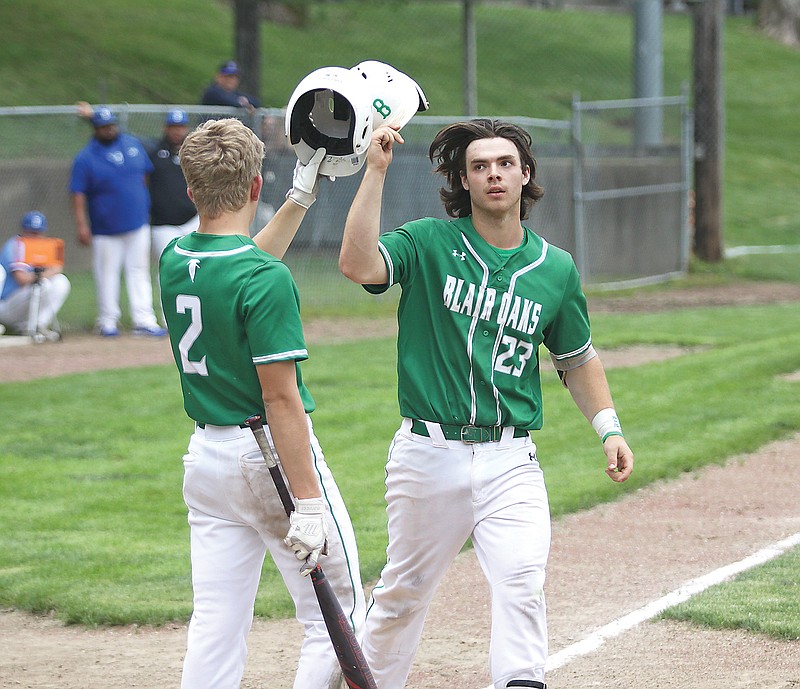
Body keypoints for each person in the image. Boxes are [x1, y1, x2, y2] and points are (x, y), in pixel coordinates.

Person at [338, 119, 635, 689]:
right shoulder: (429, 242)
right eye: (479, 166)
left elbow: (576, 358)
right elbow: (358, 264)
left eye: (504, 163)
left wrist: (609, 428)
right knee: (403, 592)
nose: (493, 174)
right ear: (464, 182)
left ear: (526, 175)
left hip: (509, 458)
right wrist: (375, 172)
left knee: (523, 578)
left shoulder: (555, 269)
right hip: (427, 454)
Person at [159, 117, 363, 689]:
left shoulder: (176, 257)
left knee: (216, 625)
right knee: (338, 617)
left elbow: (242, 260)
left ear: (191, 189)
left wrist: (298, 200)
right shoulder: (264, 279)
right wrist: (308, 502)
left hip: (205, 461)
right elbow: (282, 399)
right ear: (255, 186)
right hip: (266, 459)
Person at [69, 106, 166, 337]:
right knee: (107, 273)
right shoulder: (85, 157)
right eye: (103, 127)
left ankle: (144, 319)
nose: (109, 129)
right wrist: (82, 224)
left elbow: (144, 175)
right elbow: (78, 194)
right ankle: (107, 320)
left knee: (139, 270)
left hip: (137, 222)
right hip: (105, 227)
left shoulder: (132, 144)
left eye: (111, 125)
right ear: (95, 129)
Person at [0, 211, 70, 340]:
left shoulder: (44, 246)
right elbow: (21, 279)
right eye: (31, 232)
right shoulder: (15, 245)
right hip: (7, 304)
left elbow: (58, 268)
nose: (35, 236)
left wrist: (42, 274)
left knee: (61, 281)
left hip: (25, 300)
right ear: (23, 230)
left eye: (38, 232)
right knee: (44, 284)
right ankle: (28, 327)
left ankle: (37, 325)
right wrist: (44, 274)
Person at [145, 109, 199, 259]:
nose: (177, 131)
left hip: (192, 220)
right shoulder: (154, 153)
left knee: (198, 265)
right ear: (165, 128)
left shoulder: (194, 152)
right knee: (169, 267)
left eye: (180, 127)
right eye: (173, 127)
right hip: (163, 224)